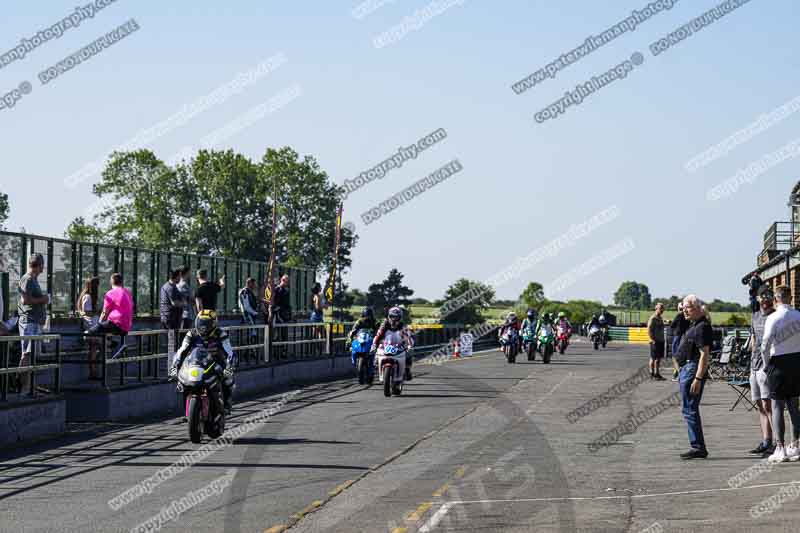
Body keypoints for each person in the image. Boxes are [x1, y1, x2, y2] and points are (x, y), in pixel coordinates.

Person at [170, 310, 236, 413]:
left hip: (215, 362)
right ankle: (187, 412)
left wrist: (229, 367)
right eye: (201, 323)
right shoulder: (191, 334)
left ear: (213, 323)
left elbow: (230, 353)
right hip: (195, 363)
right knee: (183, 382)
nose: (203, 327)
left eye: (207, 324)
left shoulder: (220, 333)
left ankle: (226, 404)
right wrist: (174, 366)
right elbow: (181, 351)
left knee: (227, 379)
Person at [762, 285, 800, 463]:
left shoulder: (773, 317)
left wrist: (765, 364)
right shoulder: (798, 315)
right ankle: (796, 445)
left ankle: (780, 448)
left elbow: (765, 344)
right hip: (796, 362)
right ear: (790, 298)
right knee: (793, 406)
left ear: (776, 299)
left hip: (778, 362)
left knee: (777, 406)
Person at [674, 295, 712, 459]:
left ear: (697, 308)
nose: (684, 311)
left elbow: (704, 354)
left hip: (692, 369)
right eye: (683, 308)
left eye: (687, 308)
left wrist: (698, 378)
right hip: (686, 369)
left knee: (690, 409)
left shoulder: (702, 326)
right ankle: (697, 445)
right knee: (688, 409)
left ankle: (698, 447)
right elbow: (677, 327)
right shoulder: (694, 324)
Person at [744, 285, 775, 457]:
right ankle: (766, 440)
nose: (764, 299)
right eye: (761, 296)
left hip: (767, 366)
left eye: (767, 295)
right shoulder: (755, 317)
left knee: (768, 405)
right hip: (753, 366)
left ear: (772, 298)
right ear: (757, 298)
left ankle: (778, 443)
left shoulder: (775, 316)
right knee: (759, 406)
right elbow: (754, 342)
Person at [17, 254, 50, 392]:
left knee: (31, 355)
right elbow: (26, 300)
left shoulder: (34, 279)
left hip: (35, 322)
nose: (44, 268)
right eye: (43, 265)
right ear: (39, 265)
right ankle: (22, 385)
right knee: (26, 353)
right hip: (28, 321)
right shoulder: (27, 279)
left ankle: (29, 385)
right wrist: (43, 299)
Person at [372, 306, 414, 381]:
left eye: (396, 317)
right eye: (392, 317)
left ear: (400, 318)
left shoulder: (403, 326)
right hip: (386, 345)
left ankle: (407, 370)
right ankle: (376, 364)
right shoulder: (384, 325)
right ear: (389, 316)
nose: (394, 319)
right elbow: (378, 335)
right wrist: (374, 345)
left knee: (409, 354)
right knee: (375, 354)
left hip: (399, 345)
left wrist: (410, 345)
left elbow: (408, 337)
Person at [160, 269, 186, 369]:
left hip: (172, 318)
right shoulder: (170, 288)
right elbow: (175, 303)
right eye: (180, 276)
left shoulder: (171, 286)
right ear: (176, 276)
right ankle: (171, 367)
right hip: (170, 319)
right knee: (172, 343)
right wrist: (184, 303)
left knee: (173, 342)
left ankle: (173, 366)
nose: (181, 278)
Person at [76, 277, 101, 379]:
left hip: (94, 324)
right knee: (95, 348)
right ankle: (93, 371)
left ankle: (94, 371)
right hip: (91, 326)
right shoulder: (88, 297)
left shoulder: (90, 297)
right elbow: (87, 312)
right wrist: (98, 312)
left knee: (95, 349)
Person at [669, 302, 690, 381]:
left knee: (675, 356)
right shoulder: (687, 316)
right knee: (683, 357)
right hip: (685, 336)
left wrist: (670, 322)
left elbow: (672, 325)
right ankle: (677, 374)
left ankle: (679, 374)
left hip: (678, 336)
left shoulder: (679, 315)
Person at [647, 303, 666, 381]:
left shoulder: (660, 318)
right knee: (654, 358)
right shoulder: (653, 318)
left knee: (658, 358)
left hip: (661, 340)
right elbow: (649, 329)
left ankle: (657, 373)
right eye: (660, 308)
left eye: (662, 309)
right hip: (655, 341)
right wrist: (652, 339)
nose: (662, 310)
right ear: (656, 308)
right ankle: (652, 373)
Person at [177, 265, 195, 330]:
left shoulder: (177, 284)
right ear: (187, 273)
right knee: (185, 336)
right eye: (189, 272)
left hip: (183, 314)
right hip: (186, 314)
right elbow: (191, 299)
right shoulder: (184, 285)